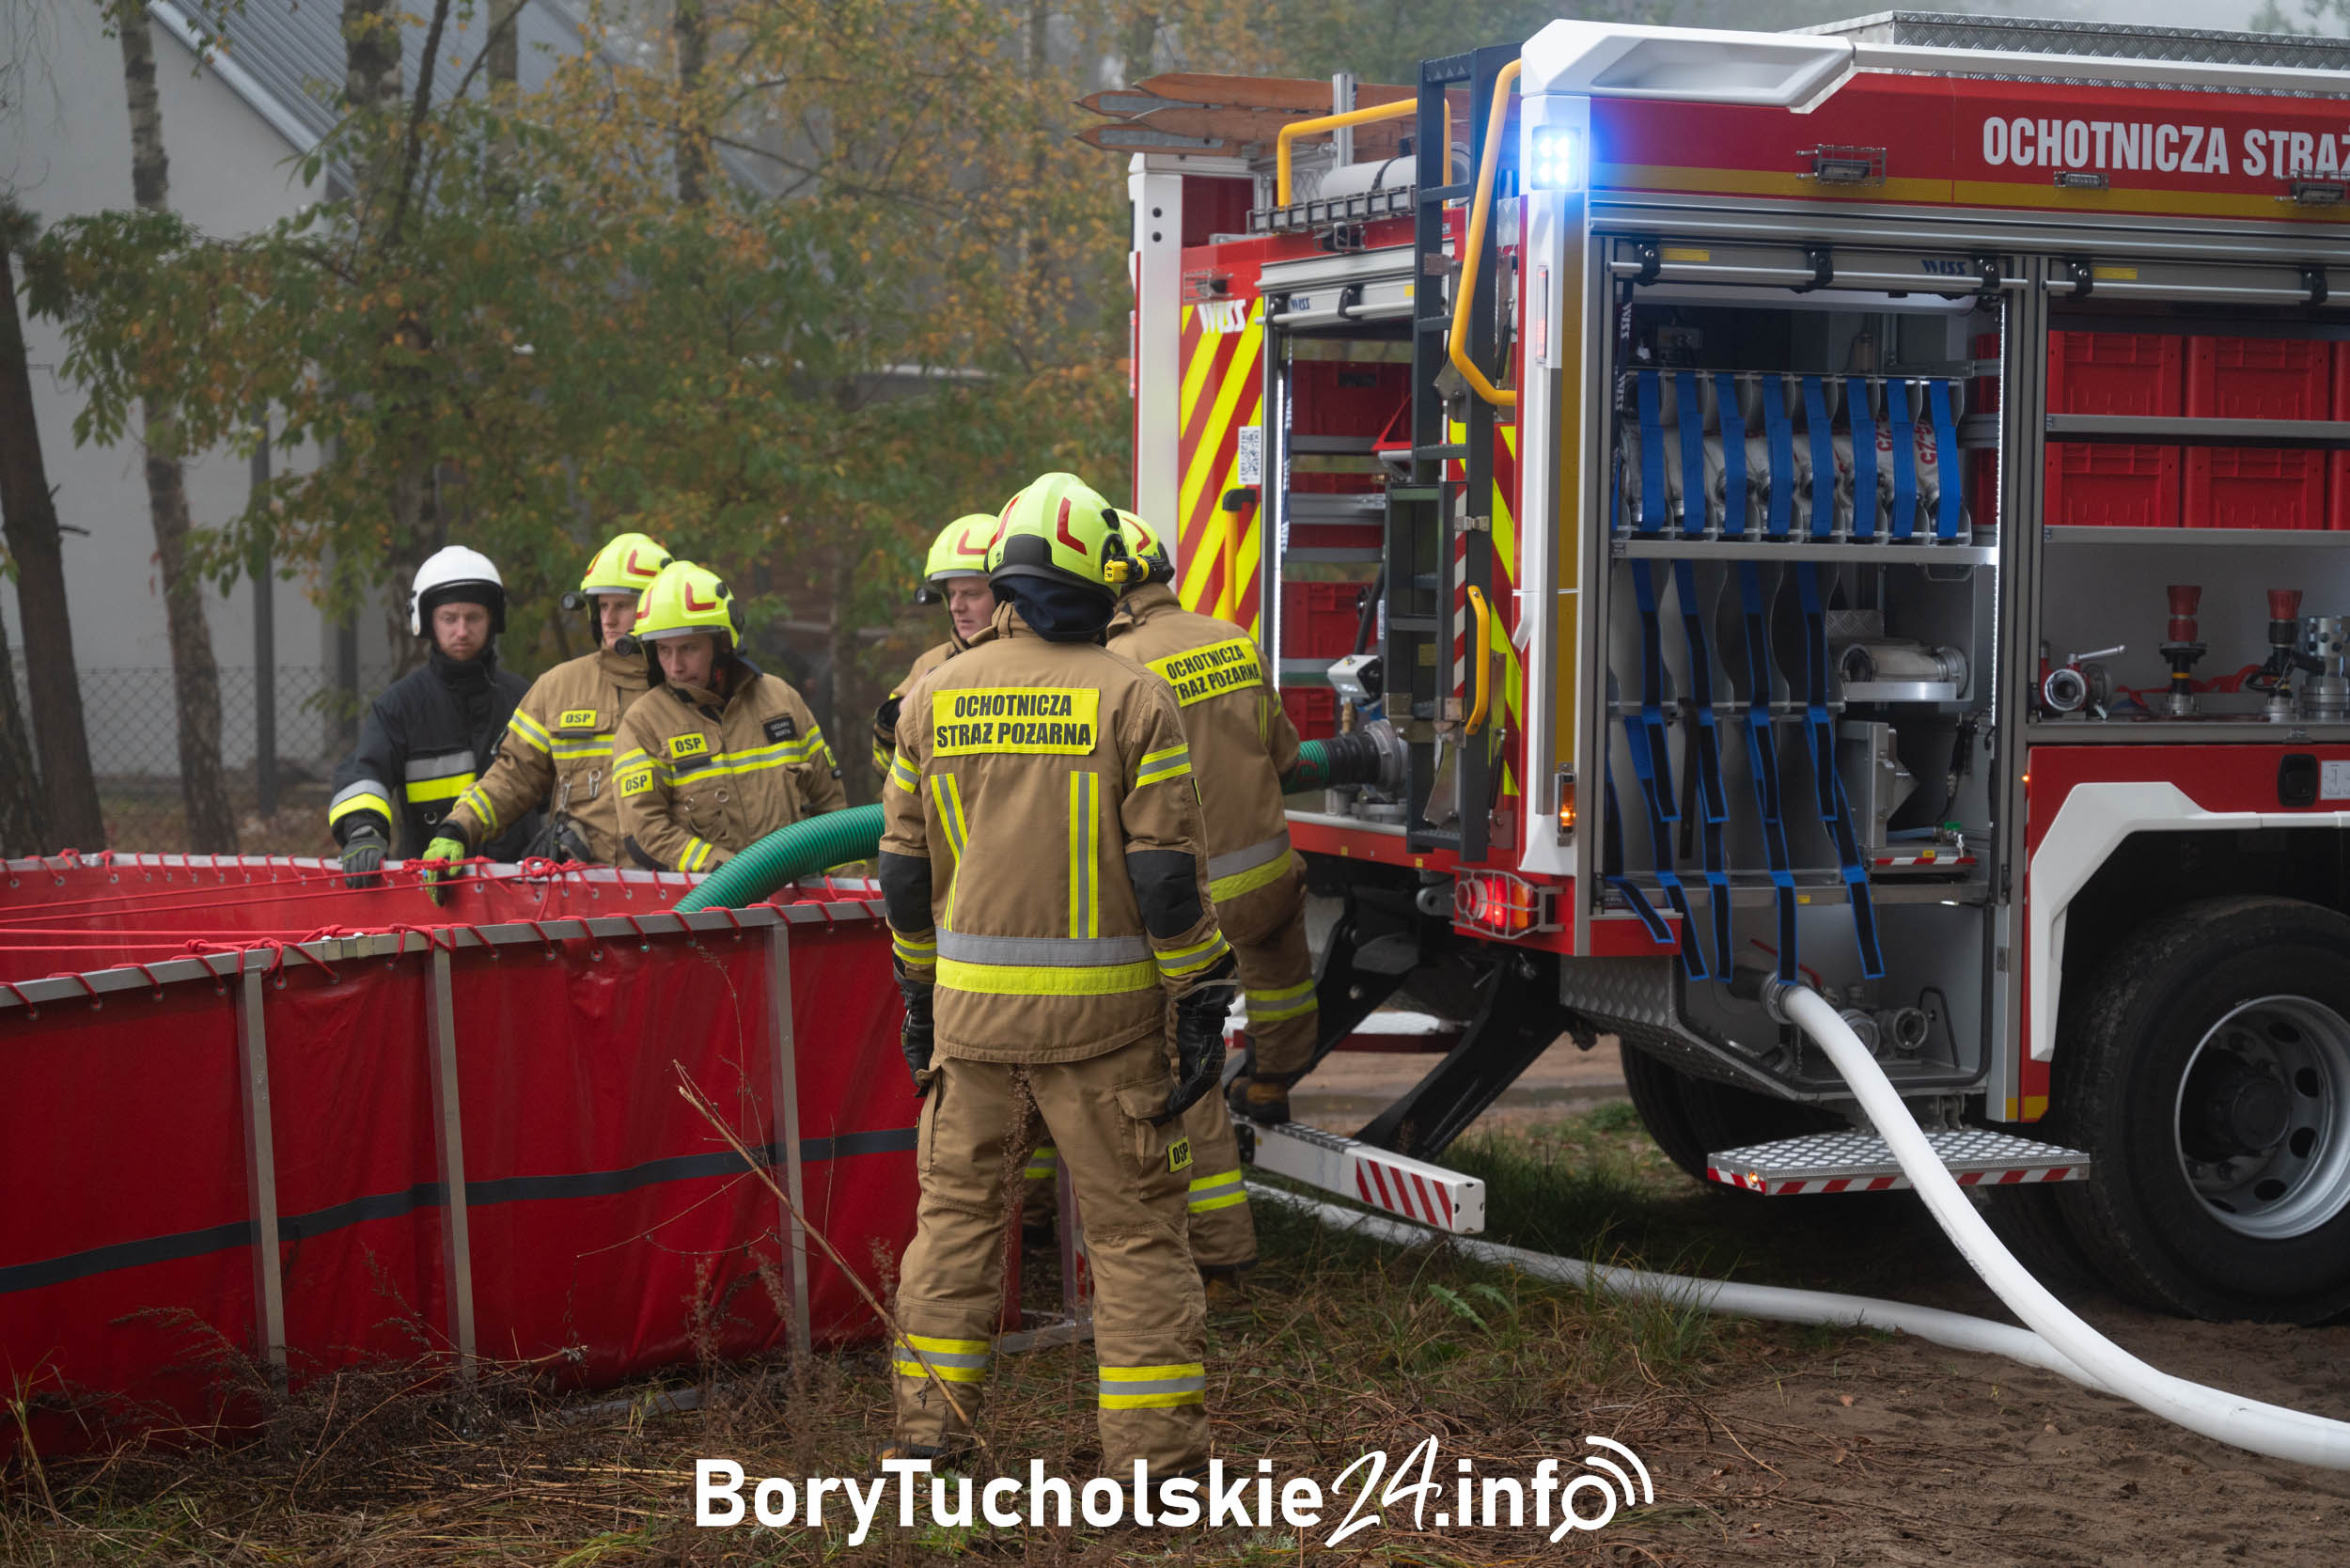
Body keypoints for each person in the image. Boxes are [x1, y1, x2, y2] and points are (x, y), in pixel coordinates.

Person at [878, 471, 1236, 1485]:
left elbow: (902, 873)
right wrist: (1201, 993)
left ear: (1004, 583)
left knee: (955, 1228)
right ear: (1100, 582)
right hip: (1108, 1039)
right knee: (1134, 1242)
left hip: (970, 1030)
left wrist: (919, 993)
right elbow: (1166, 882)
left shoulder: (932, 694)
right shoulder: (1132, 696)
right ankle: (1155, 1468)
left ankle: (926, 1443)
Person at [1106, 511, 1311, 1293]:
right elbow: (1285, 754)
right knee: (1281, 978)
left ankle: (1223, 1249)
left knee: (1183, 1065)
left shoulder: (1119, 666)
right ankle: (1274, 1080)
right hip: (1268, 881)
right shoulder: (1232, 638)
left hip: (1192, 906)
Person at [420, 532, 669, 883]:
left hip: (681, 889)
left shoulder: (687, 688)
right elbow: (514, 774)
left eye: (623, 606)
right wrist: (458, 828)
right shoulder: (559, 687)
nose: (609, 619)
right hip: (582, 889)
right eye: (602, 606)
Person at [612, 559, 846, 872]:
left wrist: (850, 892)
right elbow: (646, 833)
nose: (675, 666)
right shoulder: (643, 724)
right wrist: (733, 874)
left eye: (689, 648)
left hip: (799, 896)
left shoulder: (781, 700)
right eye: (664, 650)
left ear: (723, 643)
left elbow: (831, 808)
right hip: (707, 901)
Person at [330, 545, 539, 885]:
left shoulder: (527, 701)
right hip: (430, 889)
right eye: (449, 618)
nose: (462, 631)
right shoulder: (400, 706)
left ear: (493, 620)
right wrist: (364, 831)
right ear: (427, 621)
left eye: (473, 618)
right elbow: (364, 774)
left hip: (522, 888)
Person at [870, 515, 995, 776]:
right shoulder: (930, 664)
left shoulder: (1032, 663)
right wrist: (900, 714)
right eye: (951, 594)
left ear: (1007, 595)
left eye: (971, 594)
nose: (956, 606)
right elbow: (884, 766)